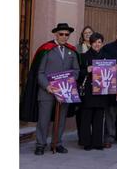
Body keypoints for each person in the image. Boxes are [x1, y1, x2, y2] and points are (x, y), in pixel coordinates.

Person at [34, 23, 80, 155]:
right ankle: (40, 144)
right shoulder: (46, 49)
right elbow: (40, 72)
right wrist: (47, 86)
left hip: (64, 91)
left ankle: (57, 143)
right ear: (56, 34)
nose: (64, 37)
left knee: (61, 119)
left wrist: (71, 81)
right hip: (47, 91)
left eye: (67, 34)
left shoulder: (71, 51)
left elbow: (76, 70)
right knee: (44, 119)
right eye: (61, 34)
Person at [79, 32, 110, 150]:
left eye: (99, 42)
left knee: (99, 117)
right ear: (90, 43)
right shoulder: (84, 56)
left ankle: (97, 142)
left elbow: (111, 73)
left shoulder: (107, 57)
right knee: (86, 117)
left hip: (101, 91)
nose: (97, 44)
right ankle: (86, 142)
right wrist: (87, 69)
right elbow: (78, 73)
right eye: (94, 42)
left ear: (102, 43)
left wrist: (115, 67)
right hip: (88, 90)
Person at [76, 25, 94, 144]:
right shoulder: (78, 48)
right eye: (85, 33)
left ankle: (90, 136)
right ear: (82, 35)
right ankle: (81, 136)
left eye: (89, 32)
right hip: (81, 83)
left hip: (94, 84)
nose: (87, 34)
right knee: (80, 111)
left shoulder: (97, 47)